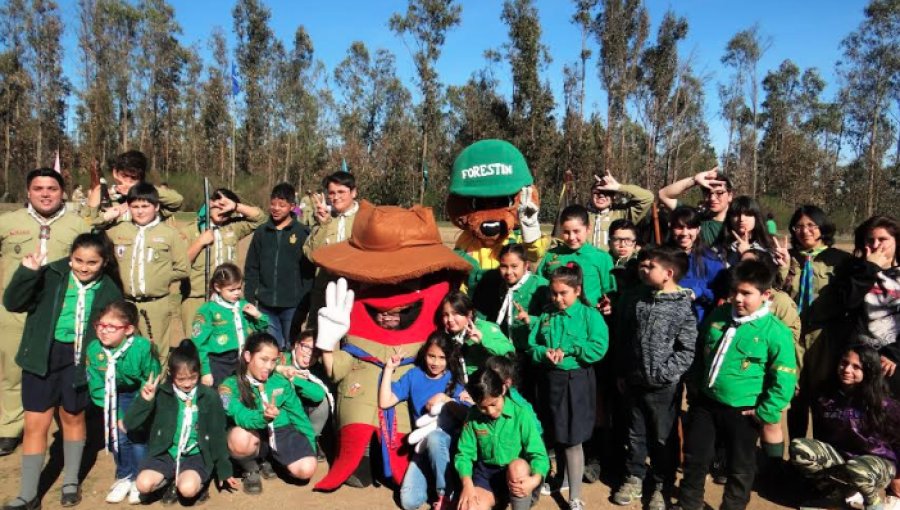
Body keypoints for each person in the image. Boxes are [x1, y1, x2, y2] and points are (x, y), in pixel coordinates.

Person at [2, 232, 123, 509]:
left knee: (72, 418)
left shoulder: (108, 290)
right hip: (43, 355)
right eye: (78, 260)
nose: (83, 267)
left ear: (104, 263)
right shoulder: (51, 274)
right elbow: (13, 302)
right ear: (70, 257)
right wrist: (27, 273)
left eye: (92, 263)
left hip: (79, 358)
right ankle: (28, 493)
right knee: (36, 424)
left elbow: (118, 324)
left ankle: (70, 481)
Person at [677, 259, 798, 510]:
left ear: (765, 295)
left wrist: (766, 411)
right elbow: (701, 353)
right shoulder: (719, 315)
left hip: (743, 411)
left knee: (740, 468)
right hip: (706, 404)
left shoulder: (775, 331)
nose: (738, 299)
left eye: (746, 293)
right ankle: (689, 504)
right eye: (734, 292)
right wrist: (695, 386)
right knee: (695, 459)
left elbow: (784, 378)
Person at [0, 168, 90, 455]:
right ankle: (10, 426)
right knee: (12, 370)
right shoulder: (7, 223)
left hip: (59, 312)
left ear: (62, 192)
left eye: (52, 188)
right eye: (38, 188)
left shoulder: (78, 225)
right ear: (28, 192)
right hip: (16, 311)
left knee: (57, 367)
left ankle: (63, 423)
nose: (45, 194)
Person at [612, 246, 697, 510]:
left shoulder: (683, 307)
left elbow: (686, 349)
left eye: (649, 266)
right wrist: (624, 371)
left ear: (668, 273)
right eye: (642, 265)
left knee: (663, 436)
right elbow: (626, 339)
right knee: (635, 433)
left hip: (663, 387)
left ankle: (662, 483)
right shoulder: (638, 300)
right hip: (634, 381)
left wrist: (664, 374)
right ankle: (634, 476)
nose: (642, 269)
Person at [527, 264, 609, 509]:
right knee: (554, 433)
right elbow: (533, 345)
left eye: (563, 293)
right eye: (554, 293)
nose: (557, 298)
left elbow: (598, 347)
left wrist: (572, 349)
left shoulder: (589, 315)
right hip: (550, 381)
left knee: (572, 439)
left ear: (577, 290)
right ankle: (559, 479)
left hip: (577, 382)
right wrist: (544, 353)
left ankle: (574, 496)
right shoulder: (547, 314)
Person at [790, 345, 900, 510]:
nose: (847, 369)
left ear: (869, 371)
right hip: (843, 459)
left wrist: (898, 477)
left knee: (859, 470)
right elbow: (821, 434)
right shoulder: (825, 396)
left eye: (856, 367)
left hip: (878, 463)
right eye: (844, 363)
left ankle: (874, 503)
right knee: (800, 449)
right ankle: (836, 495)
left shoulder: (884, 404)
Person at [127, 340, 237, 505]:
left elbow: (217, 434)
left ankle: (197, 484)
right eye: (181, 379)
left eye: (192, 377)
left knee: (187, 489)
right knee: (142, 484)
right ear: (171, 374)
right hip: (166, 453)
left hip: (195, 454)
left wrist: (223, 468)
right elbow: (131, 424)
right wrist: (145, 401)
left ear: (199, 372)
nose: (187, 383)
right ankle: (170, 480)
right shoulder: (161, 394)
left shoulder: (209, 397)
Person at [776, 205, 851, 439]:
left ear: (822, 228)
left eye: (811, 225)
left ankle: (820, 457)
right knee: (795, 394)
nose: (805, 231)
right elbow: (779, 293)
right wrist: (783, 266)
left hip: (825, 338)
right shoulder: (788, 256)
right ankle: (798, 454)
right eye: (799, 226)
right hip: (794, 336)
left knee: (823, 397)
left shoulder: (840, 260)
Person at [379, 332, 470, 510]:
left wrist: (446, 398)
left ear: (449, 359)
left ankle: (446, 494)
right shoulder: (414, 376)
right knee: (409, 501)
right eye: (431, 356)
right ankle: (435, 481)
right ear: (425, 354)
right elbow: (385, 401)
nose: (435, 362)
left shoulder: (452, 380)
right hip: (422, 448)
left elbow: (467, 413)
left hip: (449, 447)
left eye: (442, 358)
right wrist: (388, 369)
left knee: (436, 437)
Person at [221, 332, 317, 494]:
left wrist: (310, 444)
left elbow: (298, 415)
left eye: (273, 361)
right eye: (263, 359)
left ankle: (274, 461)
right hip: (253, 433)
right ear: (247, 356)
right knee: (239, 439)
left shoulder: (280, 380)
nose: (269, 366)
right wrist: (263, 418)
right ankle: (250, 467)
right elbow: (240, 415)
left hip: (281, 431)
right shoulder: (228, 387)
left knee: (306, 470)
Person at [103, 183, 189, 360]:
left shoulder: (169, 234)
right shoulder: (117, 231)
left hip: (156, 304)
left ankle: (155, 387)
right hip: (125, 303)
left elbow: (183, 269)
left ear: (156, 207)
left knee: (156, 353)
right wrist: (105, 217)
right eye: (135, 206)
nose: (140, 211)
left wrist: (160, 279)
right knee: (124, 352)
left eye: (145, 206)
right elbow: (89, 226)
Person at [85, 301, 160, 504]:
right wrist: (117, 415)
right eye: (100, 325)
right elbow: (97, 385)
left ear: (128, 329)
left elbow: (151, 377)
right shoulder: (94, 349)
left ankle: (138, 477)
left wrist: (134, 413)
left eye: (111, 327)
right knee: (118, 436)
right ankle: (124, 476)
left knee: (136, 436)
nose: (103, 331)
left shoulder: (142, 347)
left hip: (138, 395)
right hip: (112, 396)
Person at [454, 368, 549, 510]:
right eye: (483, 408)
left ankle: (520, 505)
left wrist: (534, 480)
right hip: (486, 475)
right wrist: (467, 484)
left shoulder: (521, 414)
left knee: (518, 467)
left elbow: (539, 455)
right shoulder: (473, 416)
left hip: (515, 474)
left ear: (503, 390)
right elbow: (464, 454)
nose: (491, 411)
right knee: (469, 507)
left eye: (493, 404)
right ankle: (498, 499)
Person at [181, 188, 266, 329]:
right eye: (219, 206)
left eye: (228, 210)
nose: (223, 212)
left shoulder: (233, 227)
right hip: (196, 297)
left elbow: (261, 218)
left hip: (226, 296)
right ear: (209, 203)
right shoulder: (190, 231)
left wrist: (236, 206)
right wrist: (200, 242)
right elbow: (180, 263)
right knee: (196, 344)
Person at [833, 215, 900, 395]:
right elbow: (847, 303)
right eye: (871, 240)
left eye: (883, 239)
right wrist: (869, 269)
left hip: (892, 360)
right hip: (858, 360)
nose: (876, 245)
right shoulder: (853, 270)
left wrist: (894, 354)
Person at [244, 183, 315, 351]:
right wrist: (249, 298)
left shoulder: (303, 233)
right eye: (273, 204)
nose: (276, 208)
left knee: (291, 346)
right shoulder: (261, 233)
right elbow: (251, 267)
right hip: (265, 304)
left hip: (293, 306)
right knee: (270, 346)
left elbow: (308, 273)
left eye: (282, 205)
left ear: (292, 207)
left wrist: (304, 303)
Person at [192, 263, 268, 388]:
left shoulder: (243, 306)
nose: (237, 293)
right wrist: (205, 371)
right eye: (231, 290)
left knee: (241, 393)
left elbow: (260, 330)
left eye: (239, 288)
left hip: (242, 359)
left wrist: (258, 316)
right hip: (219, 362)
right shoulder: (208, 310)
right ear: (217, 287)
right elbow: (199, 344)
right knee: (222, 395)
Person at [303, 172, 360, 327]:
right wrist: (323, 224)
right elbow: (311, 254)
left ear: (354, 192)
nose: (336, 197)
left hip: (356, 293)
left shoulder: (365, 218)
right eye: (332, 193)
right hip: (324, 292)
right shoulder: (324, 218)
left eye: (341, 192)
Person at [469, 244, 550, 352]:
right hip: (505, 346)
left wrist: (530, 319)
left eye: (514, 266)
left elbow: (551, 319)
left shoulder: (540, 286)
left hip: (531, 349)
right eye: (504, 266)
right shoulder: (499, 283)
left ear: (526, 265)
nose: (508, 272)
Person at [536, 204, 616, 309]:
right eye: (566, 232)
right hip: (556, 318)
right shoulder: (551, 256)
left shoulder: (601, 258)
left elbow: (610, 292)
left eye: (576, 231)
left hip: (588, 319)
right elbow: (539, 285)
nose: (572, 237)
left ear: (588, 228)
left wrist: (608, 304)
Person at [276, 329, 333, 457]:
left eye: (315, 351)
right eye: (306, 347)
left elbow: (318, 394)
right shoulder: (281, 358)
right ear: (296, 345)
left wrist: (294, 378)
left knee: (322, 403)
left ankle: (311, 438)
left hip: (302, 408)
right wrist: (280, 369)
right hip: (279, 407)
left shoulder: (317, 368)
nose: (310, 353)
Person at [84, 150, 183, 224]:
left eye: (133, 178)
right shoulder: (105, 197)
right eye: (124, 176)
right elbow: (88, 224)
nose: (128, 182)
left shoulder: (151, 199)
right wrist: (105, 215)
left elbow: (177, 201)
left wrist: (140, 190)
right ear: (115, 173)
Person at [667, 206, 728, 323]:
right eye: (679, 227)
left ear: (698, 229)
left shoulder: (711, 260)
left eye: (690, 227)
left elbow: (720, 294)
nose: (684, 233)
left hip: (699, 324)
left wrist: (700, 291)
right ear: (671, 228)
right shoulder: (661, 257)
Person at [440, 290, 515, 376]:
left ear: (469, 314)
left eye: (455, 314)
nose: (450, 319)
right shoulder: (449, 335)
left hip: (487, 384)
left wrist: (482, 340)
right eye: (445, 315)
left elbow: (509, 352)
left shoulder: (484, 328)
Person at [658, 167, 734, 246]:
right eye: (707, 193)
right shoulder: (694, 219)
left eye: (719, 193)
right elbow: (663, 195)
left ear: (730, 196)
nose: (712, 198)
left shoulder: (739, 222)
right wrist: (694, 180)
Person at [588, 173, 654, 251]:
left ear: (614, 197)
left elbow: (648, 198)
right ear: (591, 193)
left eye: (608, 192)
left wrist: (618, 187)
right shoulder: (582, 216)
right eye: (597, 191)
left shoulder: (622, 214)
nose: (601, 196)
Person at [713, 196, 777, 267]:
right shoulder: (719, 250)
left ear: (756, 218)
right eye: (736, 214)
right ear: (729, 219)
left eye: (748, 214)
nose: (742, 219)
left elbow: (767, 277)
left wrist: (783, 267)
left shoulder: (767, 249)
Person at [608, 219, 642, 291]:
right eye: (617, 239)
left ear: (635, 243)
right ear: (609, 243)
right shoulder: (601, 263)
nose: (622, 245)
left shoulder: (641, 265)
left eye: (628, 240)